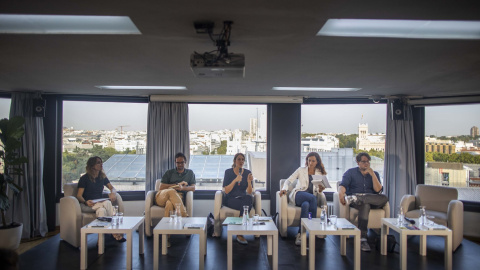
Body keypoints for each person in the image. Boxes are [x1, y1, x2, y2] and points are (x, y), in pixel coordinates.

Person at [338, 152, 389, 252]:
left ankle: (358, 197)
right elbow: (343, 185)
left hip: (372, 200)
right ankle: (363, 239)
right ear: (358, 162)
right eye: (364, 161)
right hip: (358, 204)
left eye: (368, 162)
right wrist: (341, 193)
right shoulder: (351, 172)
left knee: (384, 198)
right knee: (365, 205)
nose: (366, 164)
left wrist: (373, 174)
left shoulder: (374, 174)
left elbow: (378, 190)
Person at [279, 152, 329, 246]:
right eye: (309, 160)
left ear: (317, 162)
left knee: (306, 205)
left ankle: (300, 234)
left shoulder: (319, 173)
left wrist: (321, 189)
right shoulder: (301, 170)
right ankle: (313, 229)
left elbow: (318, 190)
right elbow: (288, 180)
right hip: (299, 194)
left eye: (313, 161)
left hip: (309, 199)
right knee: (312, 198)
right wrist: (284, 189)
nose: (310, 163)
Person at [76, 156, 125, 242]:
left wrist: (113, 193)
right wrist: (86, 202)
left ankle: (101, 242)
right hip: (88, 205)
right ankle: (115, 232)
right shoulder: (84, 178)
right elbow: (79, 196)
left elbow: (112, 188)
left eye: (101, 162)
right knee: (107, 203)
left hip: (99, 204)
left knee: (102, 210)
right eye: (98, 162)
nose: (101, 164)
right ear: (92, 165)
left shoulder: (102, 177)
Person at [155, 152, 196, 246]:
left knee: (169, 204)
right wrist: (176, 185)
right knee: (172, 191)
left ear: (185, 162)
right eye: (178, 163)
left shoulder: (190, 173)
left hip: (177, 198)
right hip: (162, 196)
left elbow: (193, 188)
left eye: (182, 162)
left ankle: (166, 238)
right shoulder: (169, 172)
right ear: (175, 162)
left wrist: (182, 188)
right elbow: (161, 187)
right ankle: (185, 217)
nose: (180, 165)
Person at [222, 153, 254, 245]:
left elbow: (249, 191)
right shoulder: (228, 172)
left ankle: (239, 232)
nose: (241, 161)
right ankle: (241, 231)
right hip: (231, 199)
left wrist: (249, 182)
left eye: (243, 159)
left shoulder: (247, 172)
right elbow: (226, 191)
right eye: (239, 159)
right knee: (247, 205)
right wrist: (235, 180)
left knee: (248, 198)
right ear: (235, 161)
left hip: (244, 198)